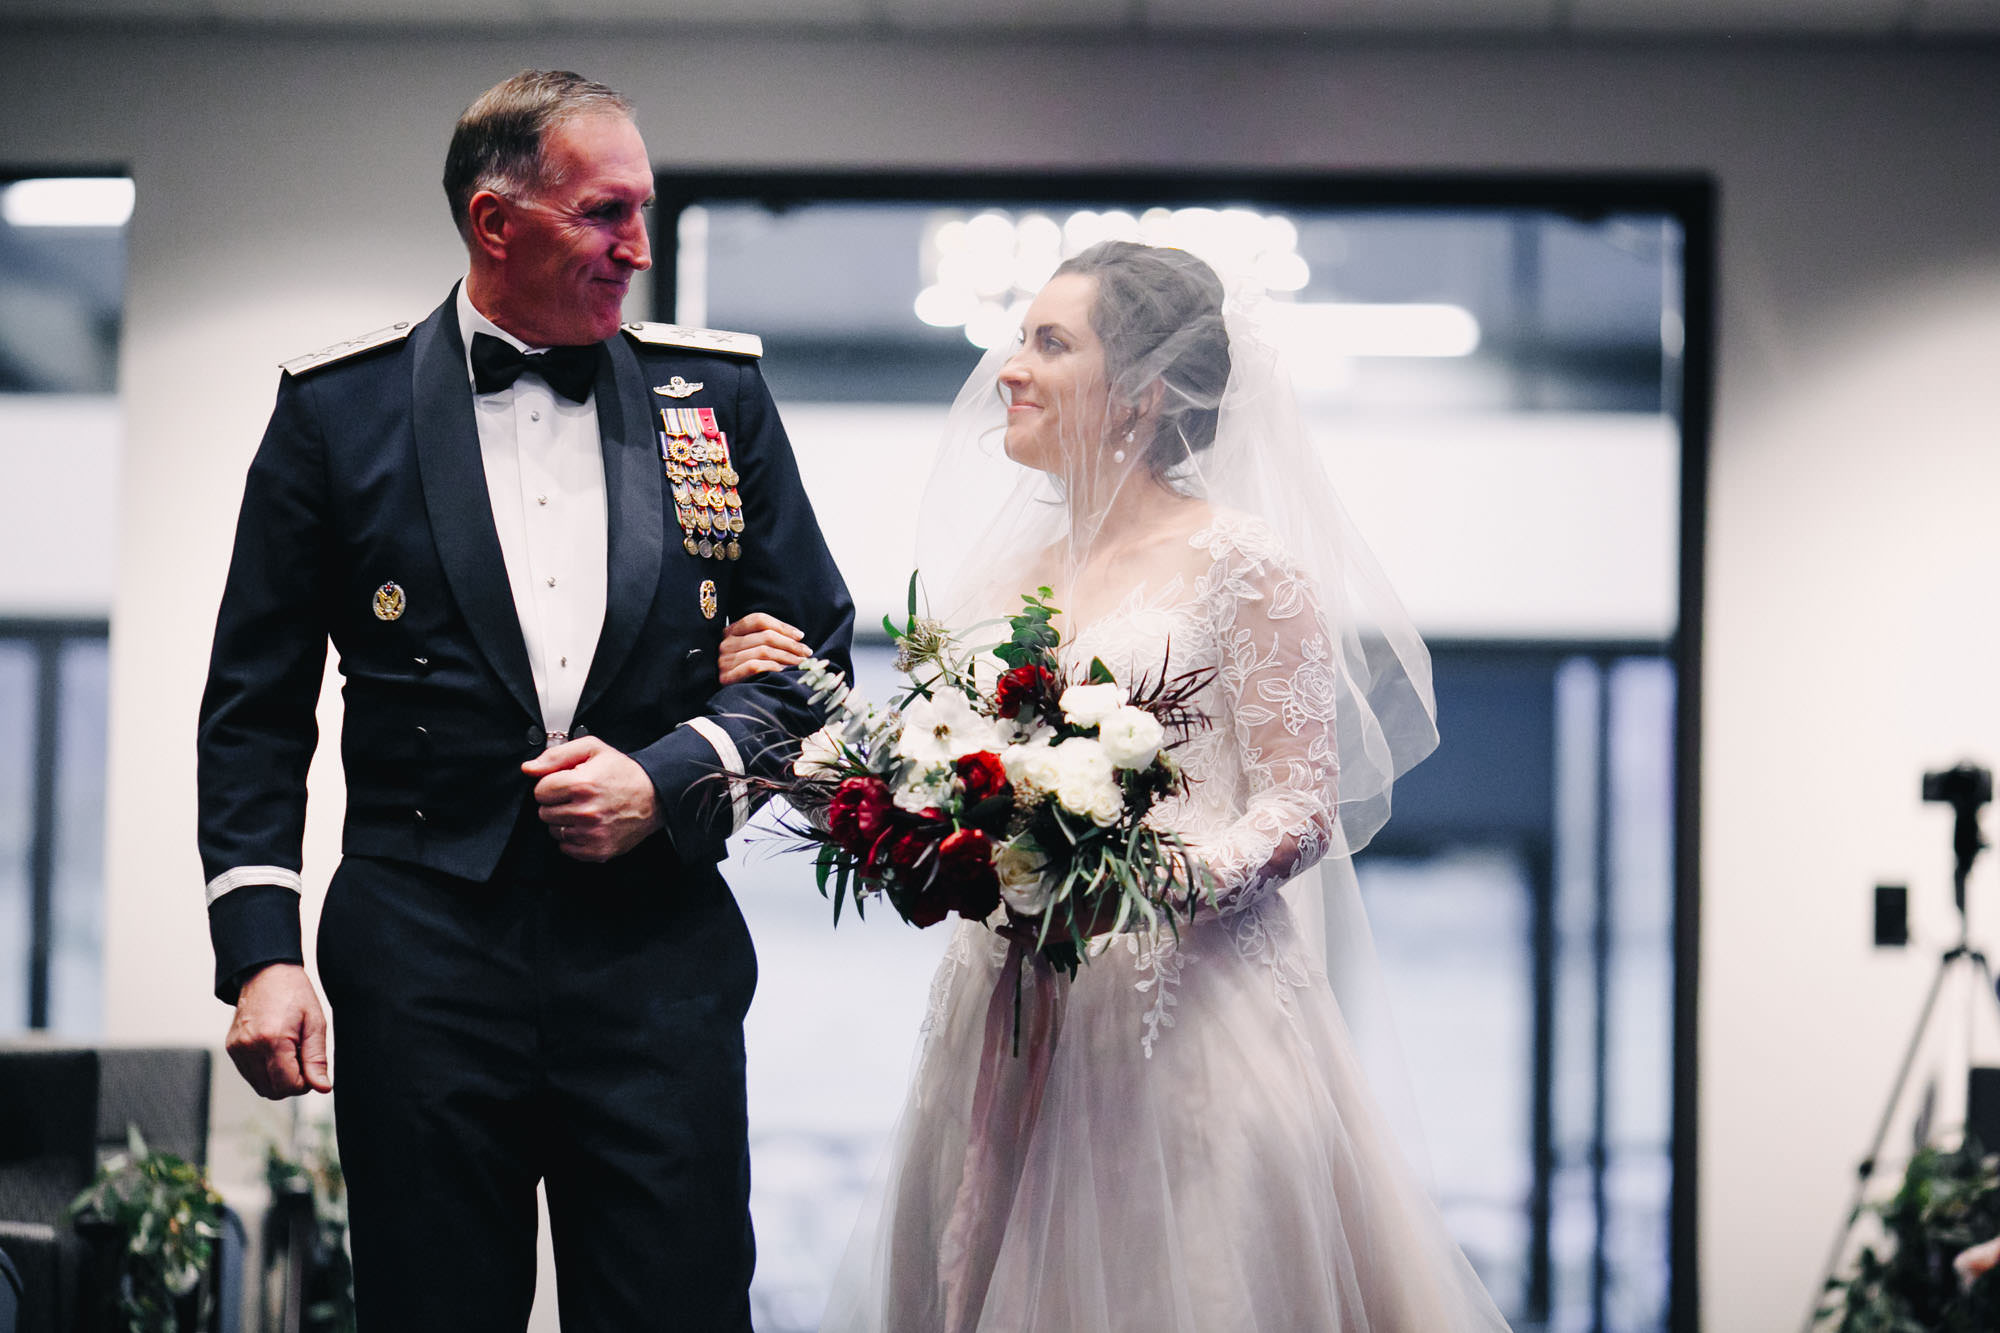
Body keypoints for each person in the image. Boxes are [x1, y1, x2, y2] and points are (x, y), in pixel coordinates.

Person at [197, 70, 852, 1330]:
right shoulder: (338, 410)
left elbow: (810, 654)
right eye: (606, 212)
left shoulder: (713, 397)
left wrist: (665, 774)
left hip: (655, 948)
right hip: (422, 949)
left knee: (677, 1306)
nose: (638, 246)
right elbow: (255, 704)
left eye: (644, 210)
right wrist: (261, 954)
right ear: (495, 222)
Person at [785, 240, 1512, 1329]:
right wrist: (871, 797)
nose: (1008, 369)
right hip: (1007, 1014)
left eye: (1049, 343)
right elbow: (951, 770)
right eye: (1019, 339)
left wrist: (1134, 885)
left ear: (1143, 390)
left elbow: (1298, 806)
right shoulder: (1004, 577)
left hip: (1187, 1026)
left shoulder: (1242, 566)